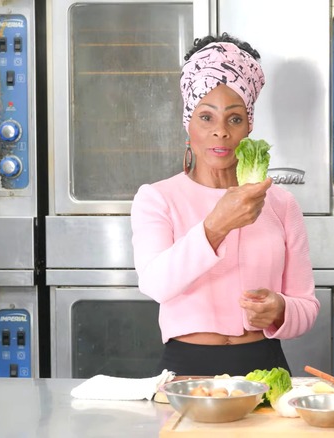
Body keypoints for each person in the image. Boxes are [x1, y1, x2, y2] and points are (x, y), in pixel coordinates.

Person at [130, 34, 319, 376]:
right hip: (188, 370)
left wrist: (280, 310)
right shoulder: (157, 198)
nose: (220, 132)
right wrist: (215, 226)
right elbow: (155, 284)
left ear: (249, 124)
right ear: (188, 122)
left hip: (265, 367)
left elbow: (306, 306)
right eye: (206, 117)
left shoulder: (281, 203)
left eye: (234, 118)